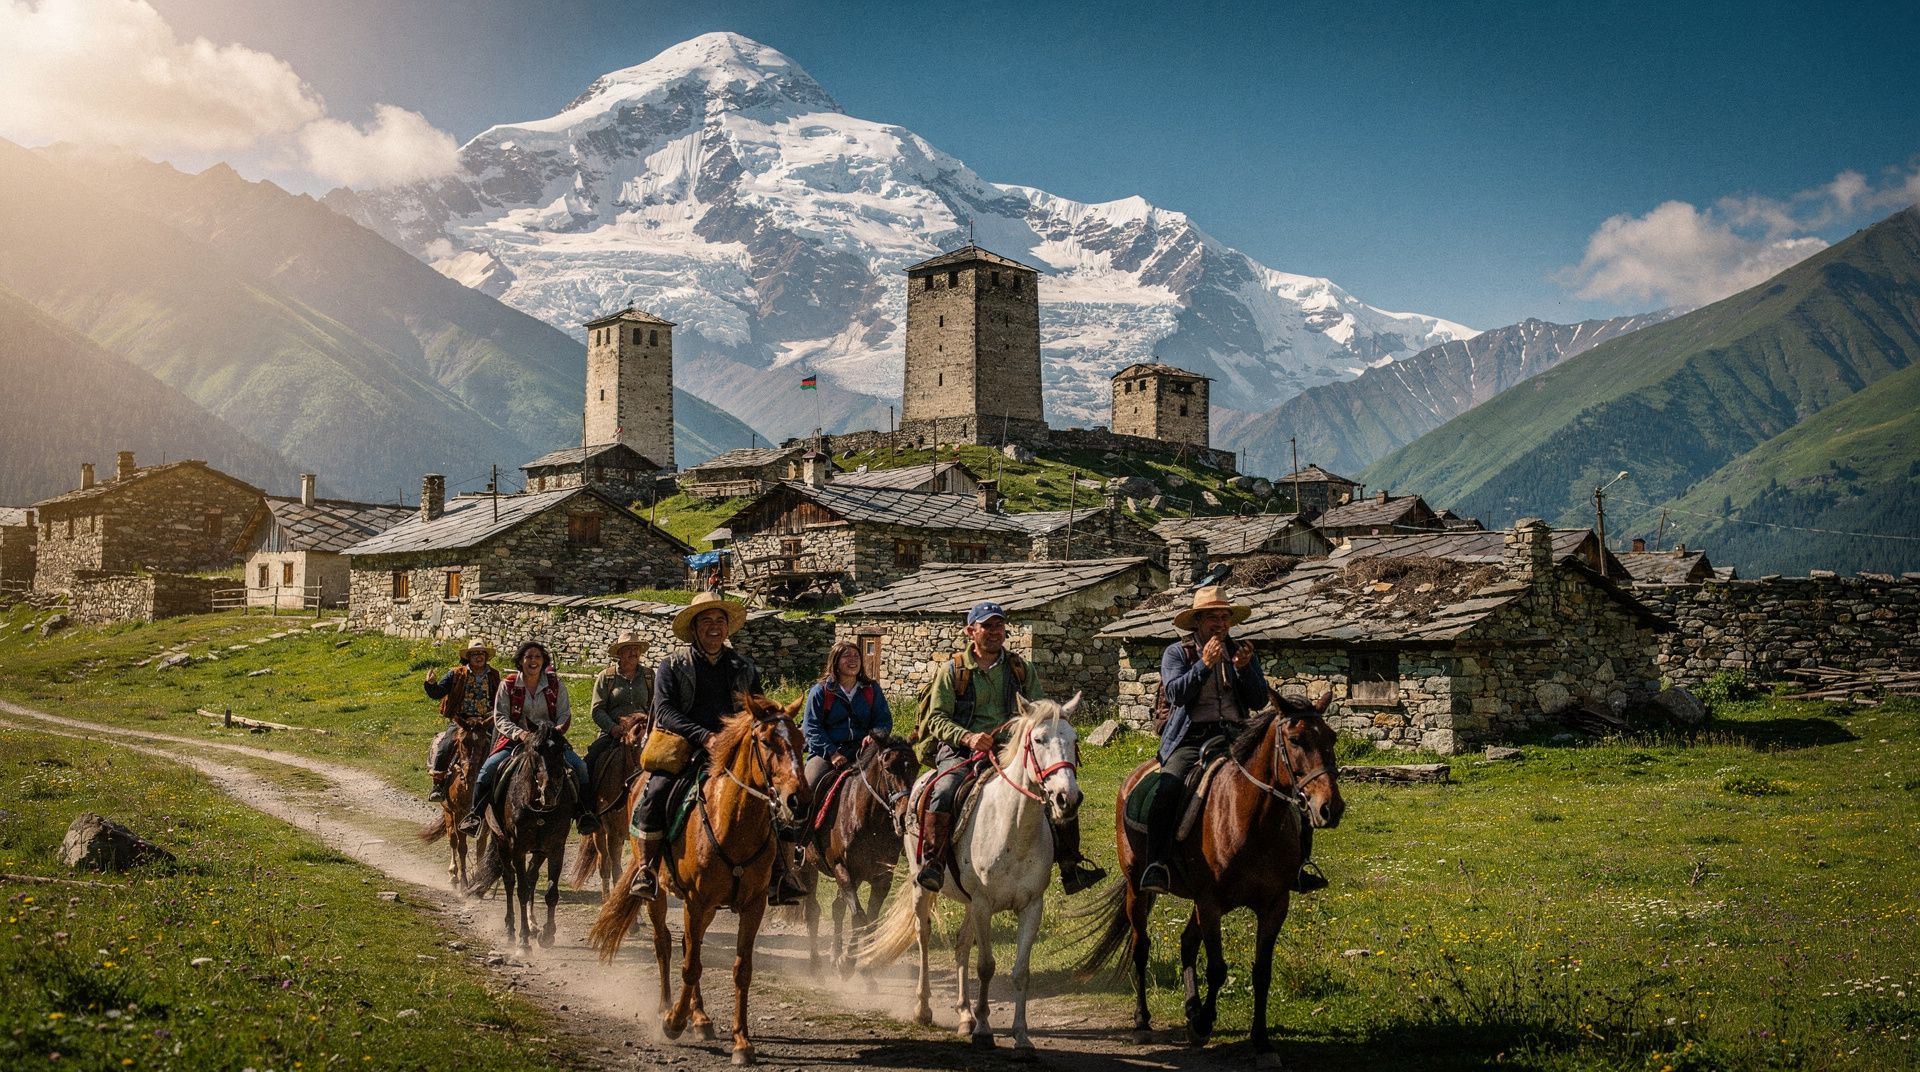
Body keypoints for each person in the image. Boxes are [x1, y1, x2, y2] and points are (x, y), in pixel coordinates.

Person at [1137, 586, 1324, 896]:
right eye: (1213, 618)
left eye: (1225, 617)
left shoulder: (1241, 652)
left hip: (1237, 734)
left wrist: (1245, 669)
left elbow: (1255, 699)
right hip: (1191, 737)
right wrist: (1204, 665)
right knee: (1169, 787)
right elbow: (1176, 694)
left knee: (1288, 785)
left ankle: (1298, 865)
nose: (1220, 624)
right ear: (1197, 621)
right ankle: (1156, 863)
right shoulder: (1177, 653)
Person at [913, 601, 1107, 895]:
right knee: (944, 790)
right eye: (987, 626)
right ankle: (934, 863)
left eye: (999, 626)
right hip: (961, 749)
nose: (994, 632)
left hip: (1012, 750)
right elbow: (937, 718)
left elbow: (1040, 711)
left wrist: (1055, 716)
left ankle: (1070, 866)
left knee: (1061, 789)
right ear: (971, 631)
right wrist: (968, 737)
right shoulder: (953, 671)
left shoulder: (1020, 668)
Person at [628, 592, 809, 906]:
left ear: (727, 628)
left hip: (736, 751)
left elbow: (760, 710)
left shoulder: (743, 667)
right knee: (655, 793)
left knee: (774, 799)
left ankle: (781, 872)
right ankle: (646, 869)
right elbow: (666, 711)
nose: (714, 627)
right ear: (696, 628)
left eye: (720, 621)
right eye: (707, 621)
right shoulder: (672, 665)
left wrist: (777, 716)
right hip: (684, 747)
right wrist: (704, 736)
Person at [460, 640, 601, 837]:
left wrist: (558, 729)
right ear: (520, 661)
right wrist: (520, 733)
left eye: (537, 657)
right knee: (488, 769)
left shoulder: (556, 684)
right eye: (528, 657)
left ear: (543, 661)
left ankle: (584, 814)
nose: (533, 661)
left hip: (549, 741)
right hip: (516, 740)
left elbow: (564, 712)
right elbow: (500, 716)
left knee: (580, 767)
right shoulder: (507, 685)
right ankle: (476, 816)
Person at [801, 641, 893, 794]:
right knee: (809, 788)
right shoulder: (821, 691)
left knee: (894, 782)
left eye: (856, 656)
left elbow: (883, 719)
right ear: (835, 662)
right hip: (827, 752)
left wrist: (874, 735)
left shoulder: (871, 689)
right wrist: (831, 753)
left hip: (864, 750)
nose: (853, 660)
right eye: (847, 656)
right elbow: (811, 727)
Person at [422, 639, 500, 802]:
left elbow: (499, 698)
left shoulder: (493, 674)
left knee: (500, 747)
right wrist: (431, 684)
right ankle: (438, 784)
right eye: (474, 654)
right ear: (468, 657)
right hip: (461, 720)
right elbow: (438, 693)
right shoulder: (456, 673)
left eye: (481, 654)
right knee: (445, 745)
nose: (478, 657)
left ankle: (499, 785)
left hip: (486, 720)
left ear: (486, 656)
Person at [586, 631, 653, 781]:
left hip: (642, 732)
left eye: (636, 648)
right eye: (628, 648)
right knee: (590, 761)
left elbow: (655, 705)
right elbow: (597, 710)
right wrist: (612, 728)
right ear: (620, 653)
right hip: (614, 733)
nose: (633, 652)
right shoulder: (607, 676)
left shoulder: (649, 676)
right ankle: (586, 802)